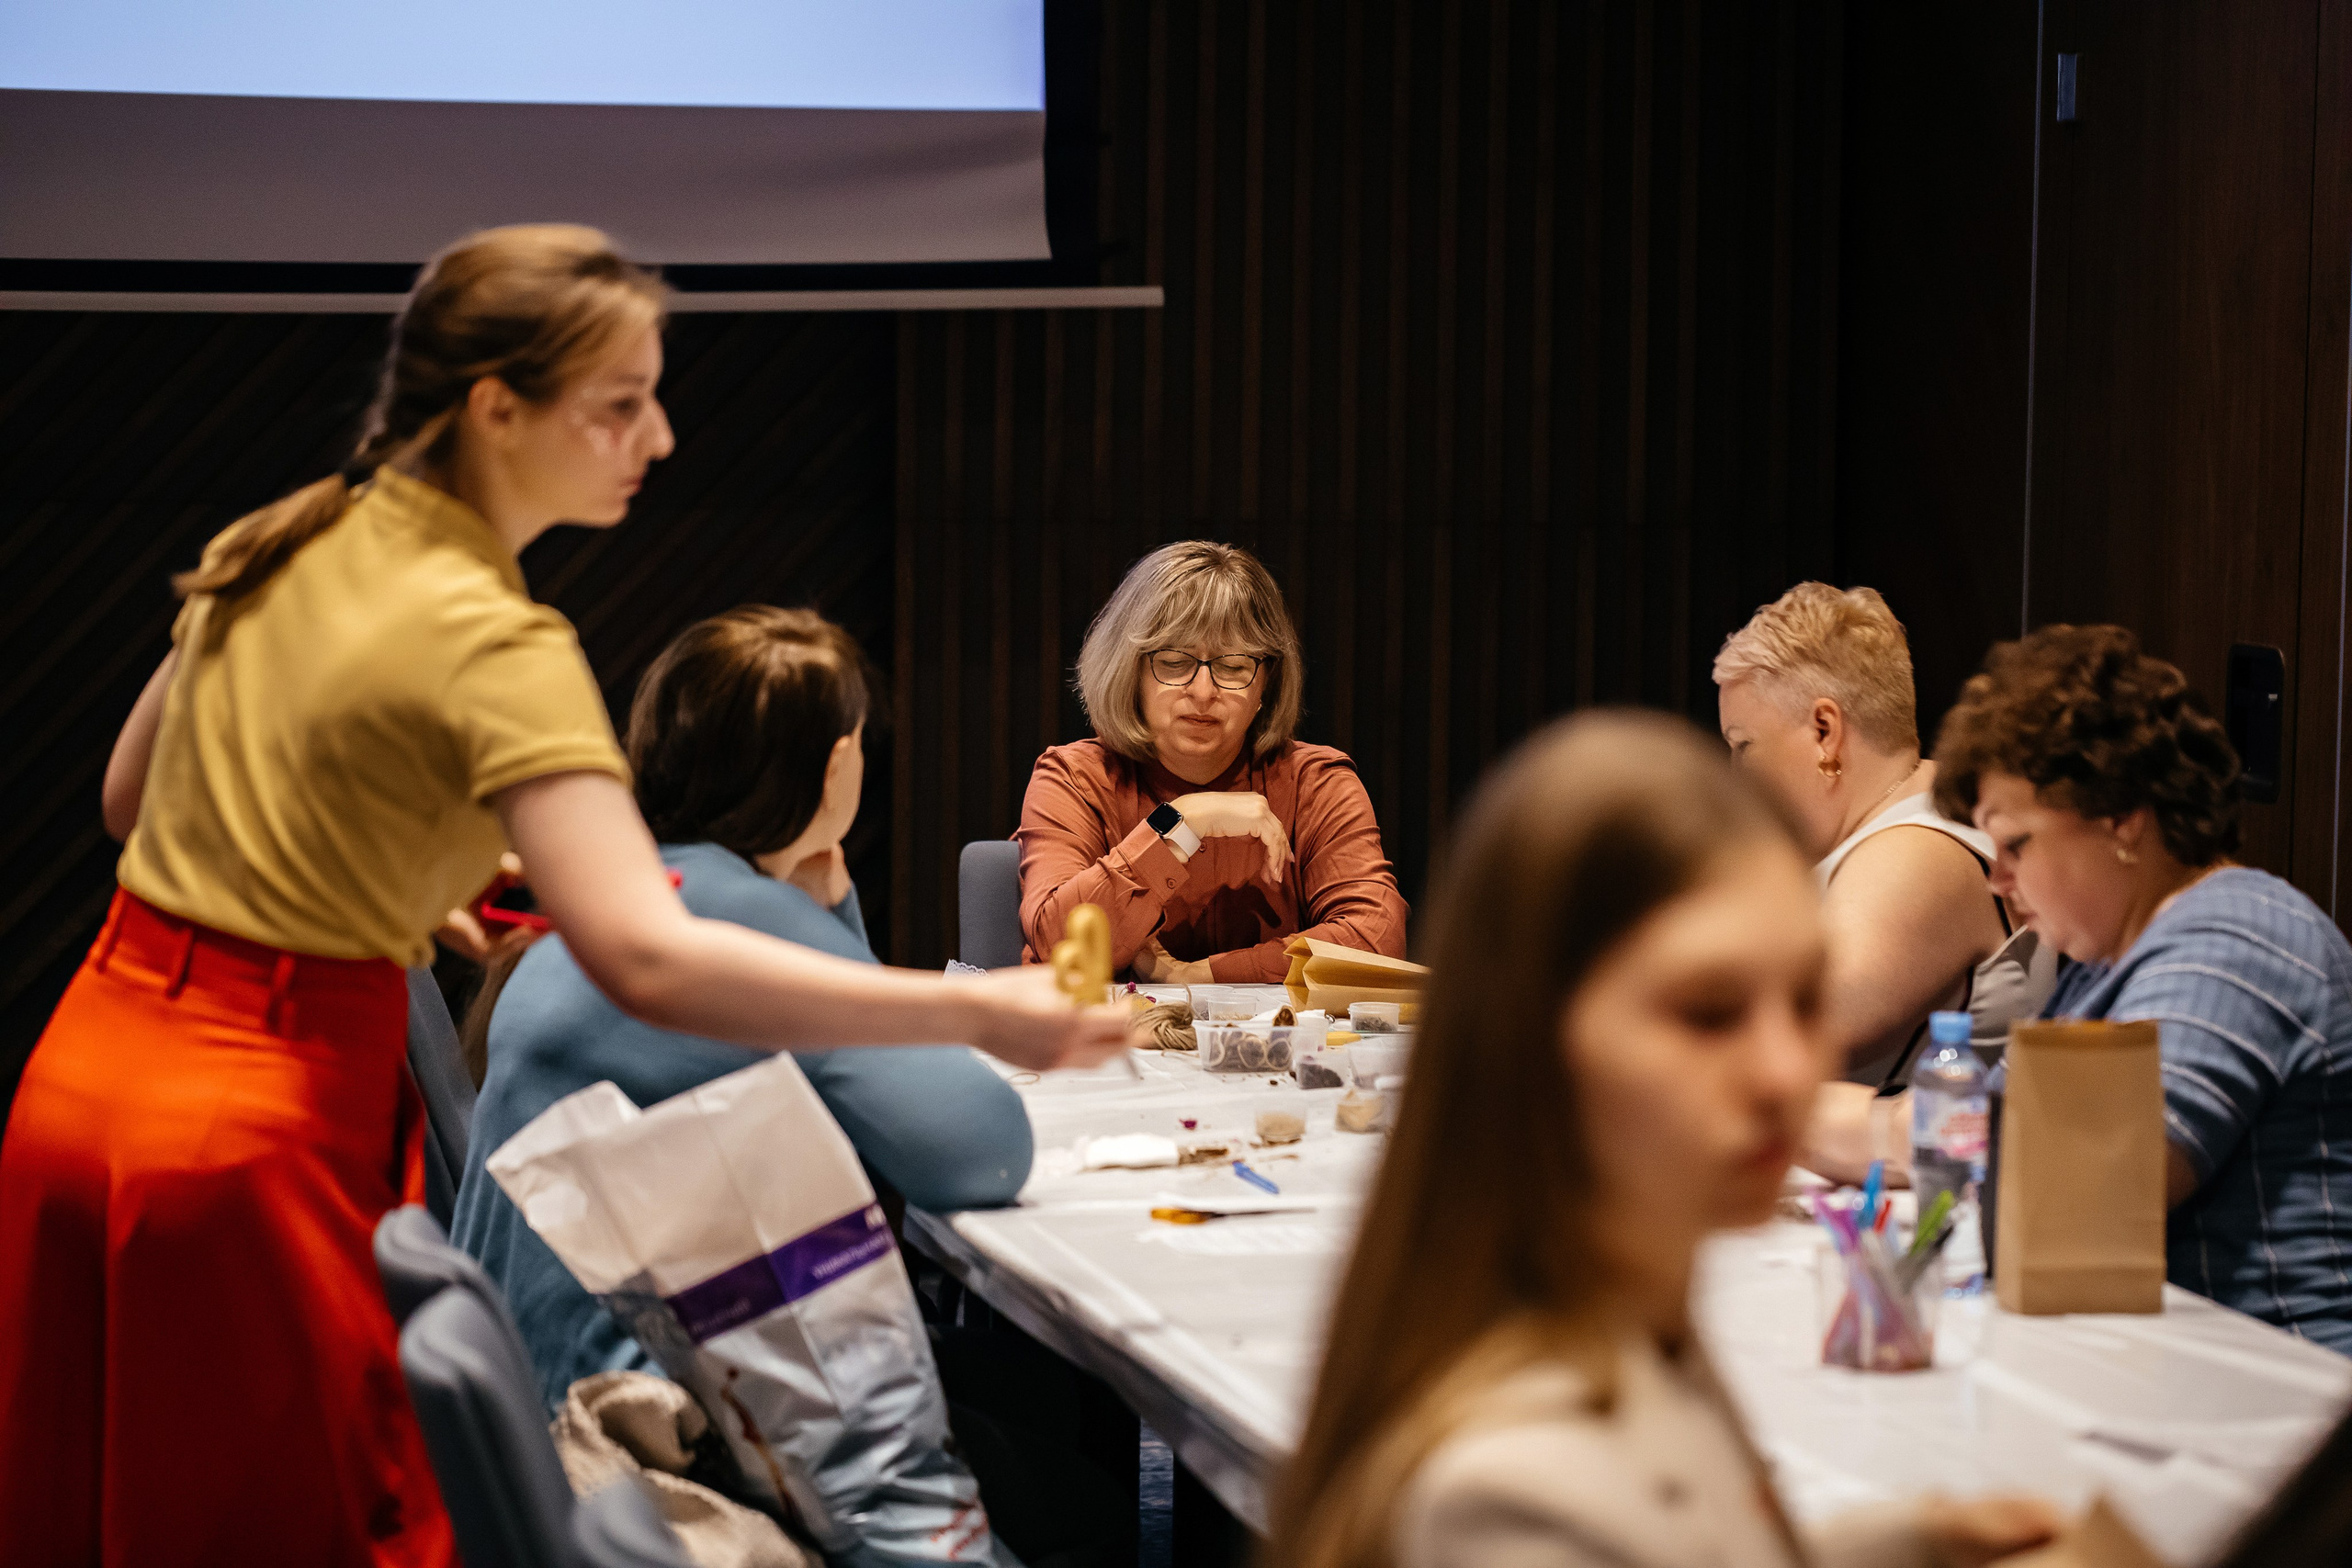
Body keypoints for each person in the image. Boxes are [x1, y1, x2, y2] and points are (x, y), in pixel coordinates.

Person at [0, 226, 1125, 1568]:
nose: (658, 436)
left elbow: (138, 802)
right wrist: (978, 1015)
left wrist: (408, 877)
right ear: (495, 407)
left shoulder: (287, 534)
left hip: (85, 1083)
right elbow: (650, 953)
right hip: (245, 1126)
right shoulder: (502, 640)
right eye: (619, 403)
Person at [1264, 711, 2060, 1568]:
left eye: (1802, 1000)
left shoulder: (1630, 1310)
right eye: (1709, 1012)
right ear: (1535, 1039)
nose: (1787, 1073)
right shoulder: (1507, 1494)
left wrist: (1912, 1542)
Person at [454, 605, 1035, 1404]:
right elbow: (983, 1150)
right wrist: (825, 915)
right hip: (649, 1436)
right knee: (1041, 1429)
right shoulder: (740, 916)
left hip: (537, 1407)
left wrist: (825, 906)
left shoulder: (619, 894)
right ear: (837, 766)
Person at [1933, 625, 2352, 1352]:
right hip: (2180, 1377)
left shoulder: (2236, 933)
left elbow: (2087, 1187)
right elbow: (1983, 1131)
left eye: (2018, 843)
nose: (1998, 878)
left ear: (2122, 814)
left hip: (2288, 1404)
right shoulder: (2098, 967)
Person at [1714, 583, 2053, 1183]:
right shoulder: (1919, 807)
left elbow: (1773, 1039)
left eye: (1744, 746)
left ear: (1825, 731)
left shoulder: (1914, 851)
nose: (1736, 775)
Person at [1018, 541, 1408, 983]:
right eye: (1173, 661)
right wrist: (1180, 821)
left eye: (1235, 666)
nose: (1203, 691)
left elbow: (1378, 940)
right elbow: (1059, 947)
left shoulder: (1316, 783)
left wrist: (1203, 976)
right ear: (1131, 671)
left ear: (1267, 683)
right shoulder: (1074, 778)